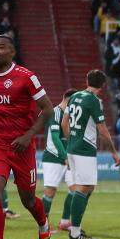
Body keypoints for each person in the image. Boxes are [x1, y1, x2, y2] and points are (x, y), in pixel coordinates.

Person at [0, 33, 54, 239]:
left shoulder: (26, 77)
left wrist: (29, 134)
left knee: (28, 200)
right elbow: (0, 107)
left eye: (0, 47)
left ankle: (43, 226)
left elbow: (48, 110)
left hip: (22, 148)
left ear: (12, 52)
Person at [64, 70, 120, 239]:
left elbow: (64, 122)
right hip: (85, 149)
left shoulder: (74, 96)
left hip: (73, 148)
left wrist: (71, 141)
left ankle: (76, 227)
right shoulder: (94, 101)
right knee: (84, 187)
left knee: (88, 188)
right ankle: (74, 232)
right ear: (103, 85)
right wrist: (113, 151)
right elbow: (102, 129)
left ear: (87, 80)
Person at [40, 90, 77, 222]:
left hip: (67, 158)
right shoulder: (55, 112)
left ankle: (65, 222)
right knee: (50, 192)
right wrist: (65, 156)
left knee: (75, 189)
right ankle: (43, 224)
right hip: (53, 157)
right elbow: (55, 138)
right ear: (67, 100)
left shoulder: (69, 115)